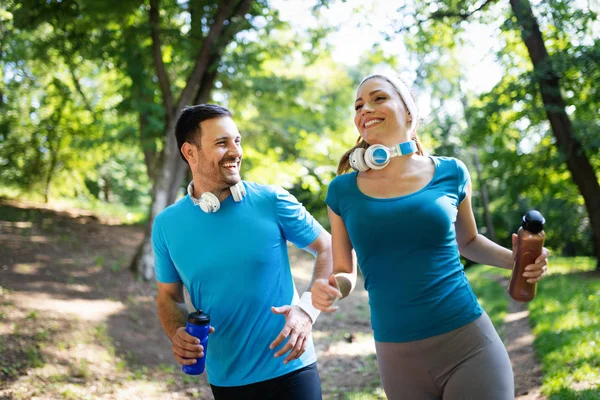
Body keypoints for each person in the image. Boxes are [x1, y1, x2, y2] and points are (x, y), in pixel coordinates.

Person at [310, 72, 550, 400]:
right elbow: (344, 271)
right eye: (358, 105)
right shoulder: (342, 191)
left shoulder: (451, 172)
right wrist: (332, 287)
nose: (365, 109)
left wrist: (518, 261)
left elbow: (468, 241)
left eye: (378, 98)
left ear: (408, 111)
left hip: (468, 343)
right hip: (397, 358)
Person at [152, 104, 331, 400]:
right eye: (222, 143)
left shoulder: (272, 200)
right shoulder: (167, 225)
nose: (235, 151)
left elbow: (327, 247)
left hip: (292, 368)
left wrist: (307, 311)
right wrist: (177, 333)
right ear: (190, 152)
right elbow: (167, 297)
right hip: (227, 379)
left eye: (237, 141)